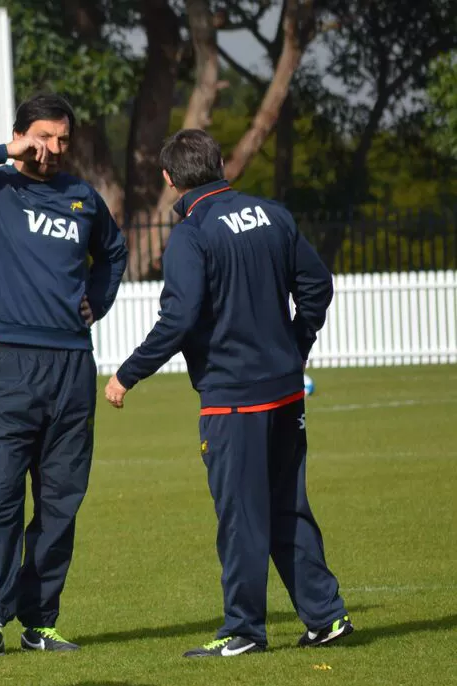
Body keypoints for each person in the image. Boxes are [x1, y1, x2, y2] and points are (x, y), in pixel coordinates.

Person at [104, 129, 353, 657]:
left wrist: (128, 373)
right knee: (289, 504)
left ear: (169, 179)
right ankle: (326, 617)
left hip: (233, 399)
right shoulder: (272, 214)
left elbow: (179, 317)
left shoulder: (192, 235)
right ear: (220, 163)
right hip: (285, 391)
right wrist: (296, 342)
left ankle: (243, 630)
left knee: (241, 515)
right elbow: (317, 284)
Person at [0, 93, 129, 659]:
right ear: (20, 136)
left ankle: (41, 622)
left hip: (71, 366)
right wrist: (0, 151)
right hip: (4, 365)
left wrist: (96, 301)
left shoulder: (82, 198)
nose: (53, 149)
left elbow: (114, 253)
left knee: (61, 501)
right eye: (42, 137)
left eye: (62, 139)